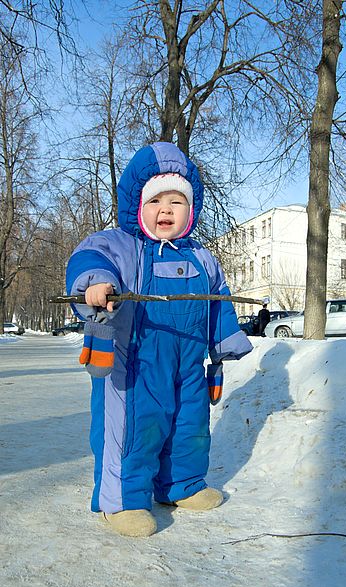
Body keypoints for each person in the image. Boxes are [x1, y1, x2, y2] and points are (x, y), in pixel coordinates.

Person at [66, 141, 253, 537]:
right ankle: (122, 500)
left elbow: (216, 300)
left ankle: (180, 485)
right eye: (155, 201)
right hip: (134, 363)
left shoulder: (203, 257)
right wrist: (96, 281)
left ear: (192, 209)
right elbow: (89, 258)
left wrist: (223, 343)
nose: (166, 210)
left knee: (189, 425)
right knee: (135, 427)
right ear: (137, 205)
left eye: (176, 202)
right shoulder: (120, 244)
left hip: (188, 364)